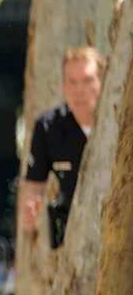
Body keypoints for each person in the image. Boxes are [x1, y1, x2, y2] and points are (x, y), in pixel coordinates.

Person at [20, 46, 104, 248]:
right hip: (73, 235)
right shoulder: (49, 127)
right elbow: (33, 184)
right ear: (63, 86)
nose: (79, 90)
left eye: (87, 80)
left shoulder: (121, 123)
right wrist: (30, 208)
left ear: (103, 81)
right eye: (72, 82)